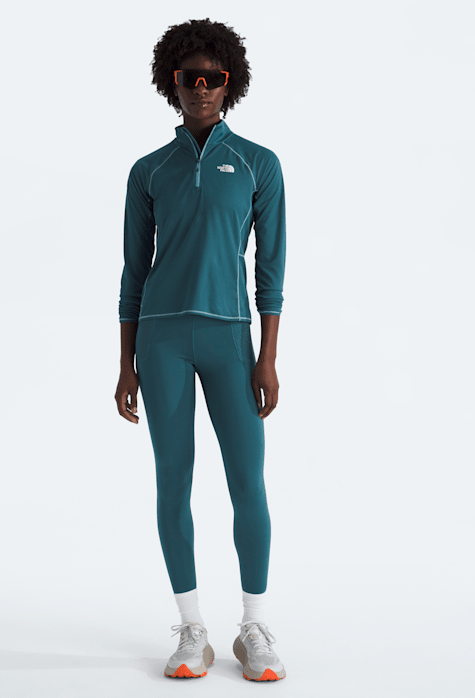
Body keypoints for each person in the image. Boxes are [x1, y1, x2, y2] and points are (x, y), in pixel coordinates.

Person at [114, 18, 287, 681]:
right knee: (173, 480)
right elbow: (133, 273)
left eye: (214, 78)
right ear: (174, 83)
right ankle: (192, 631)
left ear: (229, 83)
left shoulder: (259, 164)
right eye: (191, 78)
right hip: (160, 341)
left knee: (248, 481)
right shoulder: (148, 171)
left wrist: (267, 356)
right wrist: (125, 362)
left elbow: (270, 270)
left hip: (230, 339)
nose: (203, 88)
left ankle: (254, 628)